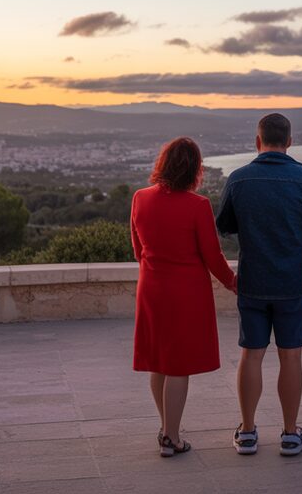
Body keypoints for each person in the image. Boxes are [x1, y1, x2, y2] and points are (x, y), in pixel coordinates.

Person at [216, 113, 302, 457]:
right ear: (290, 142)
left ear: (258, 141)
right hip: (293, 283)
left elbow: (224, 225)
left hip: (253, 281)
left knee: (251, 354)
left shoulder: (239, 179)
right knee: (290, 356)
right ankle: (291, 434)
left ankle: (248, 432)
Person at [130, 137, 237, 457]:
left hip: (150, 287)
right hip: (185, 292)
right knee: (178, 365)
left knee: (158, 361)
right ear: (195, 169)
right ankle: (171, 437)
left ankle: (167, 429)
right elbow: (212, 256)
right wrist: (232, 282)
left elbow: (138, 250)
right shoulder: (197, 206)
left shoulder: (140, 198)